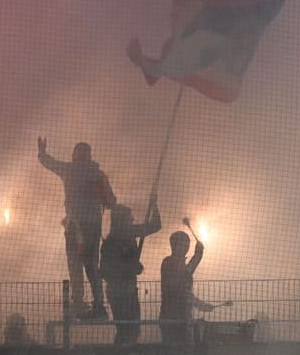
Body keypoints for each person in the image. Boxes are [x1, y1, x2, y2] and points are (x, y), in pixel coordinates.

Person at [37, 138, 116, 320]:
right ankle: (97, 306)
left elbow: (50, 163)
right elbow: (112, 202)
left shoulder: (71, 170)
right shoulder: (98, 175)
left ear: (75, 156)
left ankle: (80, 303)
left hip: (76, 228)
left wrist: (42, 152)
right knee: (91, 266)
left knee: (75, 264)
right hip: (92, 227)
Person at [100, 195, 162, 345]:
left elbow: (155, 226)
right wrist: (129, 269)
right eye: (129, 218)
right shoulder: (111, 243)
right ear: (120, 221)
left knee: (134, 329)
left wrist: (154, 205)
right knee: (125, 330)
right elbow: (105, 271)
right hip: (118, 293)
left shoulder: (129, 234)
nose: (133, 220)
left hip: (130, 291)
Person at [159, 232, 214, 345]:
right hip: (175, 317)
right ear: (175, 245)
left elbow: (185, 278)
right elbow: (182, 287)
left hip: (177, 316)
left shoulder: (170, 263)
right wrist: (198, 256)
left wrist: (197, 255)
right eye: (184, 244)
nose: (187, 247)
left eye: (187, 244)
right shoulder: (170, 263)